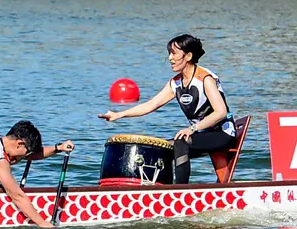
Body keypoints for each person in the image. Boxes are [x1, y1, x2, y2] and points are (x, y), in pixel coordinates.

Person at [98, 32, 235, 183]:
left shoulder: (205, 79)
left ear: (188, 56)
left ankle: (180, 190)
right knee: (163, 147)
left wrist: (193, 129)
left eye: (174, 53)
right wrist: (119, 115)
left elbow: (221, 112)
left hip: (222, 133)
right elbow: (151, 105)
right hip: (201, 134)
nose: (170, 58)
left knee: (180, 142)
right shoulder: (175, 83)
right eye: (169, 53)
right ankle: (158, 187)